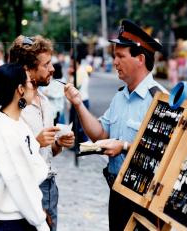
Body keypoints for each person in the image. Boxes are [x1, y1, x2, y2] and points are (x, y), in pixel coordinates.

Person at [64, 19, 166, 231]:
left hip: (144, 198)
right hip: (117, 193)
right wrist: (78, 104)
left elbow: (166, 152)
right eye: (114, 56)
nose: (115, 62)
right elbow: (100, 135)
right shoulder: (121, 96)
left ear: (140, 59)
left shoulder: (159, 98)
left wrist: (125, 147)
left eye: (120, 56)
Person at [9, 35, 75, 231]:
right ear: (27, 70)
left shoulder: (45, 102)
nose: (52, 69)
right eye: (46, 65)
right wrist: (37, 142)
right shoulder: (13, 106)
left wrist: (58, 143)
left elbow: (48, 152)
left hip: (49, 185)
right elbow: (8, 156)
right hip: (28, 188)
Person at [0, 63, 50, 231]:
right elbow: (20, 181)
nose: (34, 86)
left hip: (21, 216)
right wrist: (40, 222)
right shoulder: (4, 131)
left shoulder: (15, 123)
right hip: (12, 221)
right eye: (30, 82)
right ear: (20, 89)